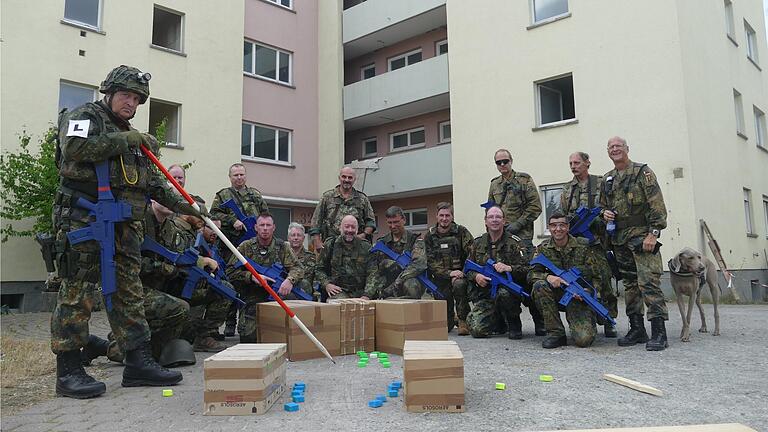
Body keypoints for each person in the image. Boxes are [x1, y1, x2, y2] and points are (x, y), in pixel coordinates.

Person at [51, 65, 201, 398]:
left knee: (128, 291)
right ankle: (69, 371)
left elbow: (156, 186)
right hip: (84, 220)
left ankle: (138, 362)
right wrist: (125, 139)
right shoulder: (84, 115)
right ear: (110, 92)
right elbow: (74, 148)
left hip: (123, 226)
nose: (130, 104)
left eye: (136, 99)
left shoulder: (135, 141)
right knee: (78, 291)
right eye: (125, 96)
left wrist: (192, 209)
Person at [600, 136, 669, 351]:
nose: (615, 149)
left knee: (648, 283)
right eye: (611, 147)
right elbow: (601, 206)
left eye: (618, 146)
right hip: (619, 239)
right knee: (629, 285)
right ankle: (637, 328)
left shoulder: (642, 172)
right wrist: (605, 213)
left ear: (627, 149)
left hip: (642, 237)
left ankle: (659, 332)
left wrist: (654, 233)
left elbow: (657, 205)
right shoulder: (608, 179)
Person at [560, 152, 618, 337]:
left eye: (577, 162)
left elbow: (611, 206)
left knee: (604, 282)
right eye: (570, 163)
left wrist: (604, 216)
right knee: (581, 282)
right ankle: (586, 319)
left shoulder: (600, 183)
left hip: (597, 243)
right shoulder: (568, 189)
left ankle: (609, 321)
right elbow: (562, 214)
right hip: (577, 246)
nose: (573, 166)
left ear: (587, 163)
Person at [487, 149, 545, 335]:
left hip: (522, 239)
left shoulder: (524, 180)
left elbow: (535, 207)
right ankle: (511, 323)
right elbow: (490, 208)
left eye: (505, 161)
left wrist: (517, 225)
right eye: (499, 162)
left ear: (511, 161)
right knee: (503, 279)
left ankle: (540, 322)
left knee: (528, 277)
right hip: (501, 240)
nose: (502, 165)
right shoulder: (494, 184)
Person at [529, 212, 604, 348]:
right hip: (557, 294)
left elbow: (598, 276)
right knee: (539, 286)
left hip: (578, 297)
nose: (558, 229)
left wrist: (589, 292)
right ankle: (556, 333)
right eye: (553, 225)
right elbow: (531, 274)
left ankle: (590, 320)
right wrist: (548, 277)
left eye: (562, 225)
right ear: (549, 228)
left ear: (568, 227)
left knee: (584, 341)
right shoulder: (542, 249)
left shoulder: (584, 246)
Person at [210, 163, 269, 337]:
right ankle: (230, 322)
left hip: (252, 246)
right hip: (231, 246)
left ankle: (251, 319)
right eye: (235, 175)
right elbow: (213, 215)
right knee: (232, 281)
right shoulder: (223, 195)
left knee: (250, 280)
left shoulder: (255, 195)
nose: (239, 178)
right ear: (230, 177)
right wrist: (231, 220)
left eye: (241, 174)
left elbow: (265, 215)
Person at [225, 213, 304, 342]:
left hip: (278, 294)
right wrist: (251, 277)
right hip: (252, 296)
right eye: (262, 225)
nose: (265, 228)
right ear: (256, 227)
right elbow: (229, 272)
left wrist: (289, 280)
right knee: (248, 338)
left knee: (284, 333)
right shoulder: (246, 246)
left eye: (268, 225)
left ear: (274, 228)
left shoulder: (282, 247)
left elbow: (298, 268)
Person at [464, 206, 530, 339]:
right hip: (486, 295)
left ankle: (513, 322)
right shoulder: (477, 243)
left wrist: (509, 268)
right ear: (485, 221)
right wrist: (476, 276)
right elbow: (467, 268)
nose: (495, 220)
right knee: (476, 330)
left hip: (509, 295)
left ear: (504, 221)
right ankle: (499, 321)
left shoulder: (515, 242)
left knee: (504, 292)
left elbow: (528, 268)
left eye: (498, 217)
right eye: (491, 217)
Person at [422, 202, 473, 334]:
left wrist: (462, 273)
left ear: (452, 216)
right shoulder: (429, 236)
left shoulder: (461, 232)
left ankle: (463, 319)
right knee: (446, 327)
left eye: (447, 215)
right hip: (440, 279)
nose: (444, 218)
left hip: (460, 276)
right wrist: (449, 273)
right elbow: (430, 263)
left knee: (459, 285)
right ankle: (452, 318)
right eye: (441, 215)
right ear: (436, 216)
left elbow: (472, 254)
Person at [365, 206, 427, 299]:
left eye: (396, 222)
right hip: (386, 284)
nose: (393, 226)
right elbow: (374, 270)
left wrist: (397, 282)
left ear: (404, 220)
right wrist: (367, 294)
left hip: (406, 283)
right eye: (390, 223)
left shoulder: (415, 240)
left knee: (412, 284)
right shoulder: (382, 242)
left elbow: (419, 265)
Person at [309, 166, 376, 250]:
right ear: (339, 178)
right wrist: (317, 241)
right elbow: (316, 221)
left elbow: (371, 222)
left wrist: (363, 235)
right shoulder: (328, 197)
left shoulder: (362, 199)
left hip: (356, 247)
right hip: (331, 246)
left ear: (354, 179)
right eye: (344, 176)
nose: (347, 180)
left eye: (350, 177)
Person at [316, 215, 375, 299]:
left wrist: (367, 294)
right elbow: (319, 269)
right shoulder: (330, 244)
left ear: (357, 230)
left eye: (353, 227)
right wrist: (327, 284)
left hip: (361, 292)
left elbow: (373, 273)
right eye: (347, 227)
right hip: (338, 291)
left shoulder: (366, 247)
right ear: (340, 228)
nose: (350, 230)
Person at [287, 222, 317, 300]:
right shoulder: (282, 256)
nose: (296, 238)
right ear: (288, 238)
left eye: (299, 235)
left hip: (306, 295)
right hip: (286, 293)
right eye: (293, 235)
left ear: (303, 238)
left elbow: (316, 280)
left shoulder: (312, 257)